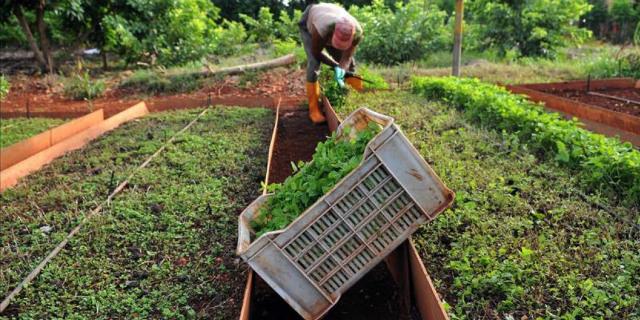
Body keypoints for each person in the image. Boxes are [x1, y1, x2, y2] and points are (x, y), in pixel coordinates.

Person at [299, 2, 364, 124]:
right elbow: (316, 52)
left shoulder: (358, 33)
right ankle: (314, 109)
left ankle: (351, 95)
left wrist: (342, 69)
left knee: (350, 65)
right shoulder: (322, 28)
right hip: (309, 21)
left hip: (331, 15)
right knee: (314, 64)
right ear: (333, 33)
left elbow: (347, 57)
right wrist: (335, 66)